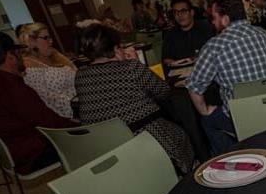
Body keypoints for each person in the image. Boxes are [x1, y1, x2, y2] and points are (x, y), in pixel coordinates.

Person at [75, 24, 194, 174]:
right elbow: (163, 91)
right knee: (181, 132)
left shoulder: (80, 75)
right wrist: (135, 63)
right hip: (144, 139)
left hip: (104, 147)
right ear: (116, 48)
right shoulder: (131, 68)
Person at [186, 0, 266, 154]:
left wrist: (205, 110)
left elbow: (194, 87)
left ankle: (234, 159)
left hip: (245, 118)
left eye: (214, 17)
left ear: (225, 19)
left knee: (207, 120)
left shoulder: (215, 46)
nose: (213, 21)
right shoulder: (264, 34)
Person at [0, 32, 74, 174]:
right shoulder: (10, 85)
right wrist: (80, 124)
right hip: (32, 154)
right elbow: (48, 123)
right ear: (10, 56)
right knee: (98, 136)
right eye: (18, 52)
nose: (22, 57)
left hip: (11, 153)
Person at [18, 23, 77, 118]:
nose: (51, 41)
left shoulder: (52, 54)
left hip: (82, 99)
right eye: (46, 38)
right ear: (31, 41)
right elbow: (46, 99)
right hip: (71, 111)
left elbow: (74, 69)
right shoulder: (27, 65)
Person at [162, 0, 215, 66]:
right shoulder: (170, 34)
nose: (179, 15)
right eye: (176, 12)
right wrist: (172, 63)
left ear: (192, 12)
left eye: (183, 11)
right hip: (180, 70)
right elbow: (166, 59)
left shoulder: (206, 28)